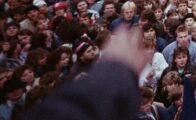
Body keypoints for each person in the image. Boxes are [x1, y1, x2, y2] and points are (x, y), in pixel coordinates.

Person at [22, 27, 151, 120]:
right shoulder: (76, 71)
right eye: (88, 51)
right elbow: (71, 109)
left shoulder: (95, 62)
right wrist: (117, 69)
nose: (93, 53)